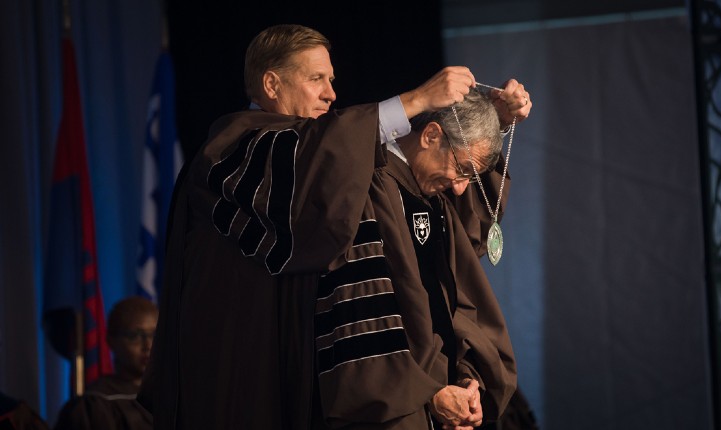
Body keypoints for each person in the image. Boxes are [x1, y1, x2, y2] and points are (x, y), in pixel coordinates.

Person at [139, 24, 531, 429]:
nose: (332, 93)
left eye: (332, 79)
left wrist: (492, 120)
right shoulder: (232, 150)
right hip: (246, 366)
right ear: (271, 83)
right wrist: (415, 101)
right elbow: (316, 165)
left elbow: (453, 231)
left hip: (306, 371)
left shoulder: (328, 158)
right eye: (317, 79)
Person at [54, 296, 156, 430]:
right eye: (134, 336)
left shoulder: (173, 395)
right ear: (111, 340)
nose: (148, 345)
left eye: (155, 335)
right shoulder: (95, 405)